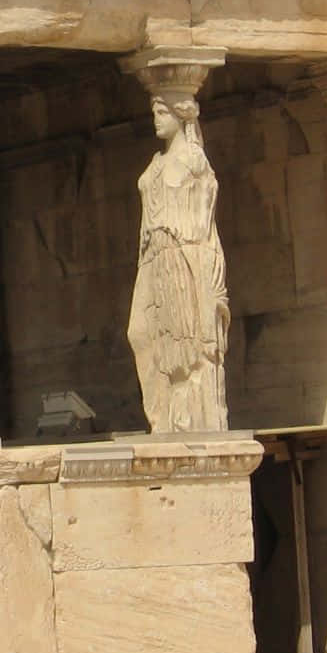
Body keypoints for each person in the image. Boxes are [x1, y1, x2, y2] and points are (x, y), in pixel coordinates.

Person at [128, 93, 230, 434]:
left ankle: (185, 422)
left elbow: (204, 221)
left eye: (162, 112)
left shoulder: (194, 160)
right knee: (140, 333)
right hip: (152, 255)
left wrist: (206, 275)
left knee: (183, 344)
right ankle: (161, 418)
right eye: (155, 112)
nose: (156, 119)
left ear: (180, 115)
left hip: (181, 253)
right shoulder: (156, 163)